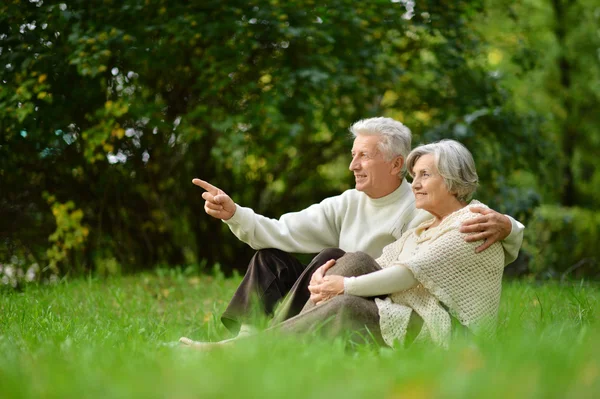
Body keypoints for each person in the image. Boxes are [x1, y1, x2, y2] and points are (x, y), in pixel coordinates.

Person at [182, 117, 523, 342]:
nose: (352, 165)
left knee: (338, 256)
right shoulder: (347, 202)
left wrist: (509, 226)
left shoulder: (422, 207)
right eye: (352, 154)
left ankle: (270, 340)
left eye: (362, 155)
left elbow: (456, 235)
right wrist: (234, 213)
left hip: (386, 300)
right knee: (271, 257)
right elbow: (280, 230)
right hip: (342, 288)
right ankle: (247, 336)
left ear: (394, 164)